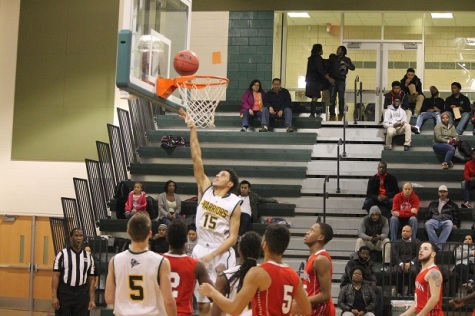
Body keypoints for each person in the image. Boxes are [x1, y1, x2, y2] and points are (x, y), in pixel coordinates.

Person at [179, 108, 242, 315]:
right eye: (217, 173)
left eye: (222, 175)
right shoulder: (205, 188)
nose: (217, 175)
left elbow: (233, 238)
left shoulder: (234, 202)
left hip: (221, 251)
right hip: (200, 247)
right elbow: (197, 157)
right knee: (202, 303)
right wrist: (192, 127)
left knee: (220, 302)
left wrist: (214, 254)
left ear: (230, 183)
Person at [198, 224, 311, 316]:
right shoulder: (293, 275)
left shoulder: (258, 273)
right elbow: (307, 310)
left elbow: (234, 310)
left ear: (264, 245)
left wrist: (212, 292)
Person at [105, 213, 176, 316]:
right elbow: (168, 301)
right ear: (150, 234)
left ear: (128, 233)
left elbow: (109, 298)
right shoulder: (161, 261)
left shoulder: (115, 261)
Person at [163, 220, 213, 316]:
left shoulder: (158, 261)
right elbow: (213, 296)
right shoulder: (197, 265)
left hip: (162, 312)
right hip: (184, 312)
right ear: (186, 239)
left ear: (167, 239)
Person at [212, 231, 262, 316]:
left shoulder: (225, 276)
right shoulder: (265, 273)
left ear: (239, 249)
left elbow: (215, 314)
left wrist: (220, 275)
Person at [52, 228, 96, 316]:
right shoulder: (62, 254)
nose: (79, 238)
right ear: (71, 238)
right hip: (65, 292)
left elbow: (91, 279)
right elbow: (55, 276)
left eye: (81, 236)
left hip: (81, 294)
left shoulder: (88, 257)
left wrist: (92, 299)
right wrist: (54, 297)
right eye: (76, 235)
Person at [300, 222, 335, 316]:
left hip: (321, 310)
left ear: (321, 237)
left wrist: (299, 301)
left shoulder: (321, 259)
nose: (307, 232)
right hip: (311, 308)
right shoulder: (311, 258)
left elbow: (325, 295)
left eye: (311, 230)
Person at [400, 242, 443, 316]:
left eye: (425, 249)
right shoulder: (422, 272)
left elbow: (435, 298)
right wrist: (405, 314)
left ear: (433, 254)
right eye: (420, 248)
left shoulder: (434, 272)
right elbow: (417, 302)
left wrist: (421, 314)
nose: (421, 251)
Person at [425, 185, 459, 249]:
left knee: (450, 224)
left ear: (447, 193)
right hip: (435, 219)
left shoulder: (452, 204)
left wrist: (456, 224)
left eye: (444, 192)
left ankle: (439, 245)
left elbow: (456, 215)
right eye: (441, 192)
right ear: (438, 193)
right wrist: (427, 220)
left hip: (446, 220)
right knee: (427, 224)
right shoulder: (433, 203)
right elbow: (428, 214)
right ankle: (435, 244)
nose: (442, 193)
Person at [391, 225, 420, 296]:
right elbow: (395, 255)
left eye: (407, 231)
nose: (405, 233)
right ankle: (399, 292)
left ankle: (410, 292)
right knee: (396, 271)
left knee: (413, 271)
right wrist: (401, 264)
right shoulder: (396, 243)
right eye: (403, 231)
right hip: (400, 263)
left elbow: (419, 254)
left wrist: (411, 263)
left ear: (411, 233)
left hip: (413, 263)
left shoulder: (417, 242)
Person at [328, 45, 355, 121]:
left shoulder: (346, 59)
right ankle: (332, 114)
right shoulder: (334, 59)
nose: (337, 51)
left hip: (341, 80)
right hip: (333, 80)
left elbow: (353, 67)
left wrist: (346, 64)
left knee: (341, 97)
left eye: (339, 50)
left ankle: (341, 113)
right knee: (332, 98)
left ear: (342, 51)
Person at [305, 43, 328, 118]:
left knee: (314, 97)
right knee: (315, 97)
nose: (322, 51)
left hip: (310, 80)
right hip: (315, 80)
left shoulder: (311, 58)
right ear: (319, 50)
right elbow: (320, 70)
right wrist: (328, 77)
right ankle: (312, 113)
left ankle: (312, 113)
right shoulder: (318, 58)